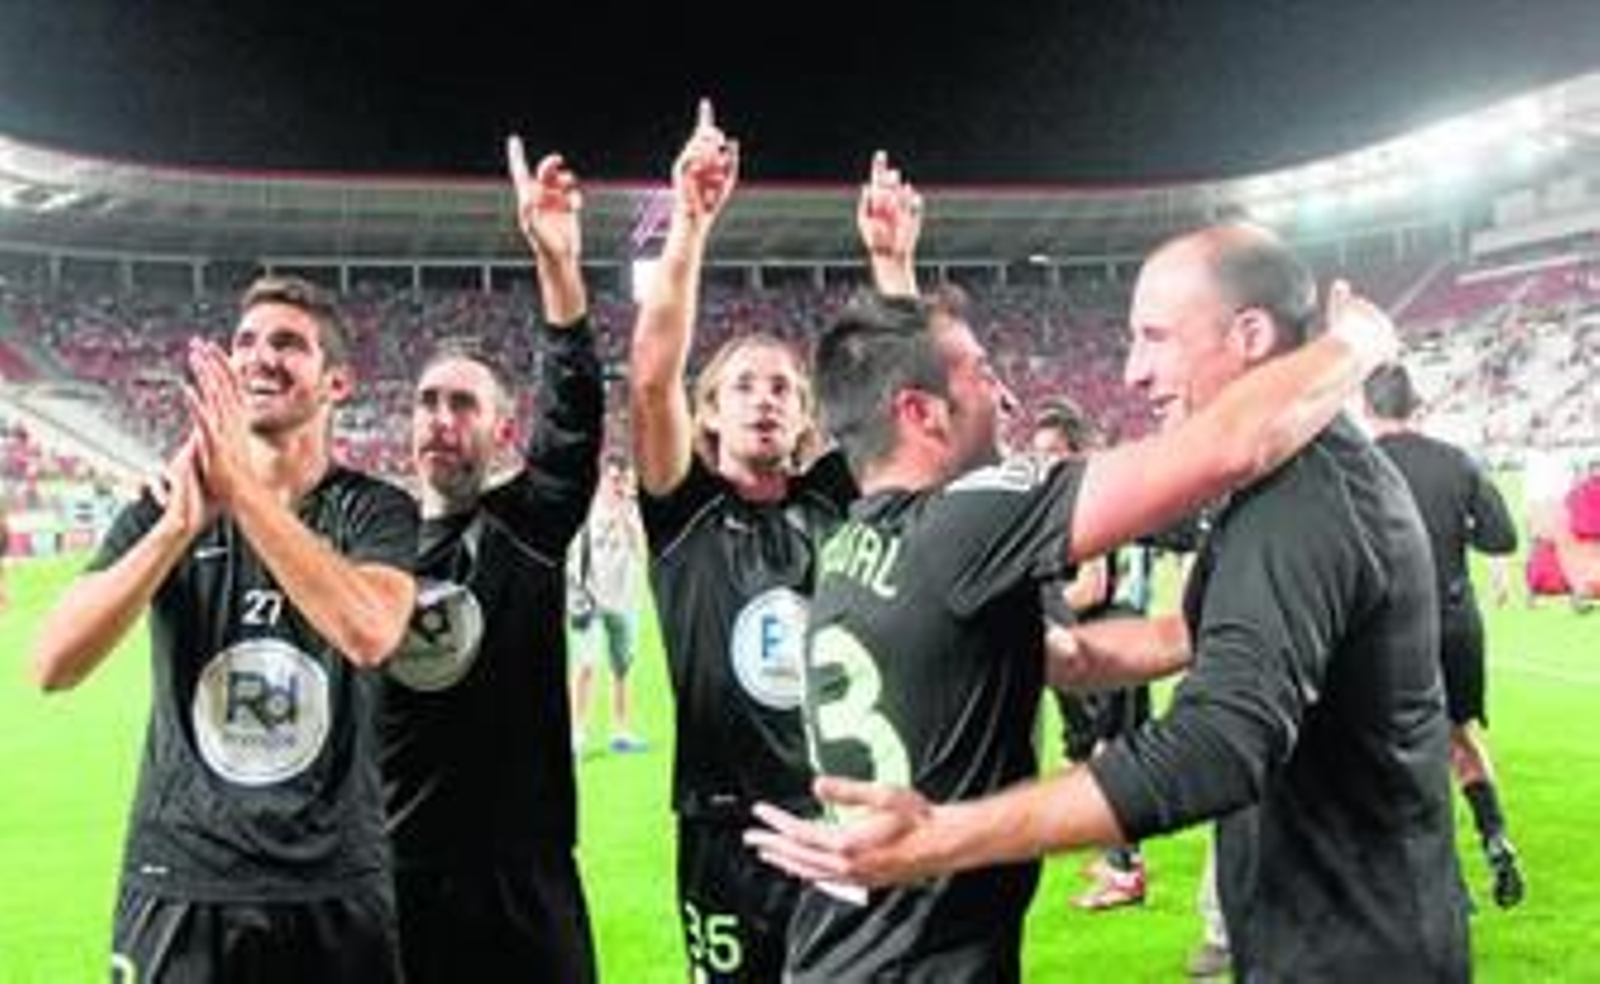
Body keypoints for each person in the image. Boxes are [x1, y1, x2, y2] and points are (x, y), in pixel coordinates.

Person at [747, 222, 1469, 982]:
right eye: (984, 372)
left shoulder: (859, 540)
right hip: (921, 959)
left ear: (1251, 336)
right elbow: (1229, 445)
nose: (1131, 373)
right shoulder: (966, 522)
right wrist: (1357, 342)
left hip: (1358, 950)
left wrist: (943, 833)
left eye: (1154, 338)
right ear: (921, 413)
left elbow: (1129, 680)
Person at [30, 275, 419, 983]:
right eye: (245, 341)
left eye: (288, 343)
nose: (260, 357)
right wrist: (175, 529)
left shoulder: (374, 510)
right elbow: (53, 663)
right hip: (182, 878)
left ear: (337, 383)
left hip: (331, 881)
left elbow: (370, 632)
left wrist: (240, 490)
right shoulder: (166, 505)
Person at [628, 103, 916, 982]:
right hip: (723, 829)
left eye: (784, 387)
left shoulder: (833, 497)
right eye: (744, 386)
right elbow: (651, 378)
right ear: (709, 414)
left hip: (836, 814)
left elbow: (904, 398)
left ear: (804, 416)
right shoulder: (682, 510)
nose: (765, 398)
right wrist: (690, 222)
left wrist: (892, 264)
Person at [376, 139, 604, 983]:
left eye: (463, 404)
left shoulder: (526, 527)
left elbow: (574, 415)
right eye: (427, 402)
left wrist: (557, 265)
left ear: (501, 430)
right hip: (399, 876)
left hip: (523, 880)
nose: (441, 418)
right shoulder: (367, 545)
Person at [1363, 360, 1526, 909]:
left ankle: (1441, 877)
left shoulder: (1360, 465)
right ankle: (1496, 839)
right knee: (1460, 736)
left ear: (1366, 408)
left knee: (1400, 750)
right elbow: (1502, 538)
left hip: (1391, 628)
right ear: (1415, 406)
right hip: (1457, 622)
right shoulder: (1458, 461)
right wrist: (1455, 530)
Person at [1028, 396, 1153, 911]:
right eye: (1038, 452)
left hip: (1106, 642)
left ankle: (1126, 873)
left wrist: (1036, 605)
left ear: (1076, 450)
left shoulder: (1086, 497)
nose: (1044, 461)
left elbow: (1093, 585)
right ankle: (1116, 857)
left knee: (1107, 758)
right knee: (1087, 752)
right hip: (1092, 642)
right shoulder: (1082, 493)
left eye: (1053, 451)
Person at [568, 451, 649, 755]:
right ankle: (578, 734)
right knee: (586, 666)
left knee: (622, 670)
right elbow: (572, 557)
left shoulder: (636, 512)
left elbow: (643, 554)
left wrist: (626, 520)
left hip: (624, 600)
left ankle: (621, 732)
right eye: (614, 479)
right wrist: (577, 594)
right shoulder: (586, 511)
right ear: (602, 479)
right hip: (589, 602)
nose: (619, 486)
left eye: (624, 480)